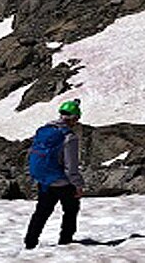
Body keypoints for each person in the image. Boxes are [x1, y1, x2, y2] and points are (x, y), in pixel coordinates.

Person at [24, 99, 86, 248]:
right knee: (71, 210)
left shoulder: (45, 130)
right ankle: (65, 242)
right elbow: (71, 167)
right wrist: (78, 186)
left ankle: (30, 243)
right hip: (62, 182)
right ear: (74, 118)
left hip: (45, 181)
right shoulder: (69, 137)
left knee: (41, 212)